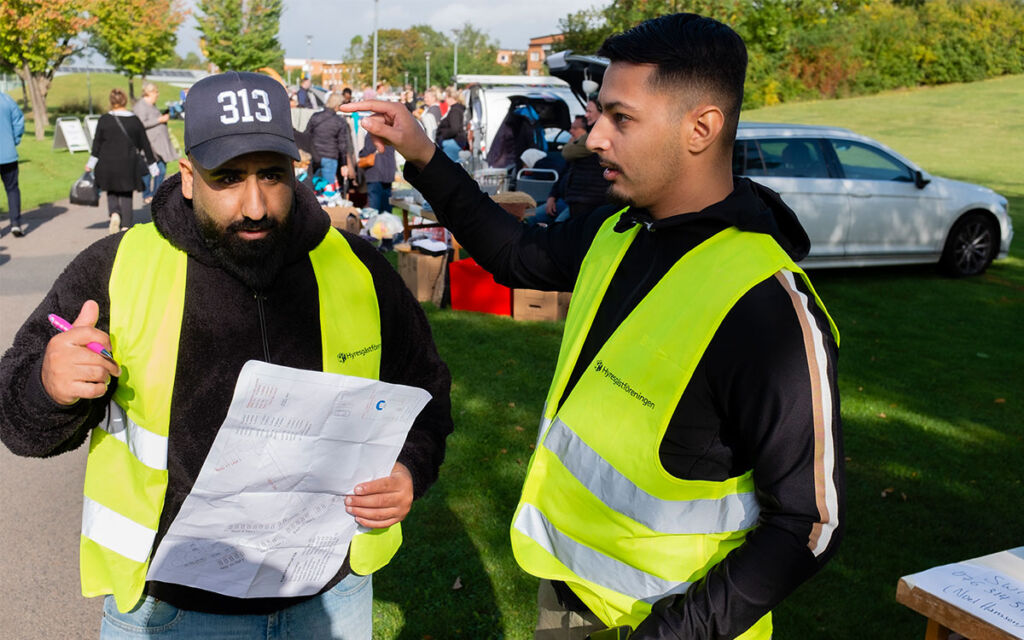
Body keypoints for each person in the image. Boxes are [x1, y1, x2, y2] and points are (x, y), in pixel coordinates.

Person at [346, 12, 843, 640]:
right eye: (600, 114)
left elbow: (809, 520)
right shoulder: (619, 230)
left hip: (680, 623)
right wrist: (422, 153)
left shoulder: (767, 306)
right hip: (569, 592)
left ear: (701, 128)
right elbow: (514, 256)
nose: (595, 137)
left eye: (621, 118)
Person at [0, 71, 453, 638]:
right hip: (172, 615)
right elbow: (15, 419)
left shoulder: (359, 270)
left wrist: (411, 467)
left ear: (297, 170)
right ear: (188, 177)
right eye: (228, 178)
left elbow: (427, 389)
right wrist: (48, 386)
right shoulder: (114, 268)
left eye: (271, 175)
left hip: (329, 601)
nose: (256, 205)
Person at [86, 88, 159, 234]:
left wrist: (91, 163)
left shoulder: (104, 119)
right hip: (128, 163)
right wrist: (152, 165)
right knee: (126, 194)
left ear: (111, 101)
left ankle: (114, 213)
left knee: (111, 190)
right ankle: (126, 226)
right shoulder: (134, 120)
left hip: (107, 162)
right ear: (125, 101)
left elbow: (97, 144)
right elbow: (145, 144)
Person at [547, 100, 608, 219]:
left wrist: (570, 144)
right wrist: (553, 195)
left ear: (601, 112)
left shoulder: (596, 136)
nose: (586, 115)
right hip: (577, 198)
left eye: (589, 111)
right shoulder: (592, 134)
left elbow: (568, 152)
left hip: (589, 199)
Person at [133, 82, 179, 204]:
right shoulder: (140, 106)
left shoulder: (152, 105)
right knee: (149, 171)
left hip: (160, 144)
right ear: (148, 92)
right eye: (155, 92)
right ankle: (148, 194)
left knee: (161, 170)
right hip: (150, 144)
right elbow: (140, 124)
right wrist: (159, 120)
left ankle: (156, 194)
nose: (157, 95)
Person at [307, 93, 355, 190]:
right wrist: (344, 164)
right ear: (337, 105)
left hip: (314, 156)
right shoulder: (340, 121)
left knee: (312, 186)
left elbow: (307, 135)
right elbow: (342, 145)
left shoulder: (315, 117)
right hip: (330, 157)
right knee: (328, 189)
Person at [0, 90, 25, 237]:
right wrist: (14, 141)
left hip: (8, 154)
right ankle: (15, 224)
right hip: (8, 154)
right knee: (12, 189)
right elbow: (18, 122)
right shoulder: (7, 100)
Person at [359, 133, 396, 218]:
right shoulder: (389, 133)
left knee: (374, 208)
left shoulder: (372, 134)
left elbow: (367, 150)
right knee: (386, 207)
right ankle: (388, 228)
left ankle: (374, 229)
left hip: (375, 172)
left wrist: (361, 153)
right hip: (388, 172)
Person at [435, 87, 467, 163]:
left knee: (450, 166)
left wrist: (442, 136)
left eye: (446, 97)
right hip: (454, 141)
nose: (445, 100)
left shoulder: (455, 110)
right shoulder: (457, 109)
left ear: (451, 97)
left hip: (452, 143)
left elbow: (454, 129)